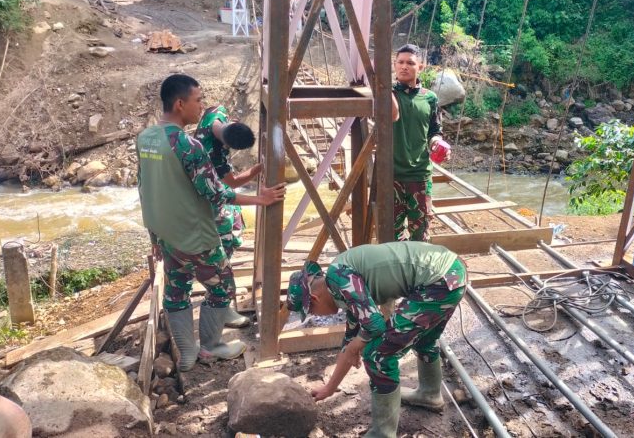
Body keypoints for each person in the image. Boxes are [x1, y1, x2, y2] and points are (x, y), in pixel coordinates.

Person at [137, 74, 286, 371]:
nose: (201, 106)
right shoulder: (188, 145)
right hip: (196, 236)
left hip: (166, 235)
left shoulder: (145, 139)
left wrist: (153, 236)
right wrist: (262, 199)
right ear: (180, 104)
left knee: (176, 292)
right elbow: (216, 194)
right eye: (198, 100)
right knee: (221, 288)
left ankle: (188, 353)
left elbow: (145, 188)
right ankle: (211, 346)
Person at [286, 242, 468, 438]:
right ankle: (429, 394)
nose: (316, 316)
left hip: (439, 282)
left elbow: (375, 325)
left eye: (312, 312)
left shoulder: (339, 277)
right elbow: (350, 343)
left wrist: (359, 344)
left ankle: (383, 433)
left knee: (377, 354)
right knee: (424, 339)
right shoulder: (341, 287)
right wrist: (329, 388)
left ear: (314, 298)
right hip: (452, 273)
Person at [194, 105, 262, 328]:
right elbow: (229, 185)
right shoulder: (212, 154)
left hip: (220, 204)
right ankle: (221, 306)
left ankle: (221, 301)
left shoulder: (216, 113)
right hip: (212, 204)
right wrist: (254, 172)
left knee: (230, 238)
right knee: (221, 254)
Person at [392, 44, 449, 242]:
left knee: (421, 232)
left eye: (410, 63)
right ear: (394, 65)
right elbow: (390, 115)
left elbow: (435, 130)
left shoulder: (430, 98)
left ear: (421, 67)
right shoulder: (386, 94)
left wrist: (436, 143)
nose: (404, 67)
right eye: (400, 62)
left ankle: (418, 271)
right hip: (391, 175)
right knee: (392, 232)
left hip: (420, 175)